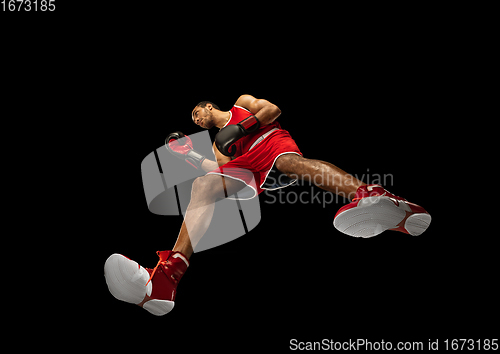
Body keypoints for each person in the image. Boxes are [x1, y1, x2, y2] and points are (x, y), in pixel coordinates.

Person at [104, 94, 431, 315]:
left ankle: (376, 197)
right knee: (204, 186)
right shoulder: (219, 145)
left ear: (208, 106)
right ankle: (165, 279)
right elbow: (216, 168)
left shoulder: (242, 103)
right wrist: (187, 153)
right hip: (246, 165)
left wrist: (240, 127)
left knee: (294, 165)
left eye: (197, 113)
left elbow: (272, 110)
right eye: (194, 119)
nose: (196, 119)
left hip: (269, 142)